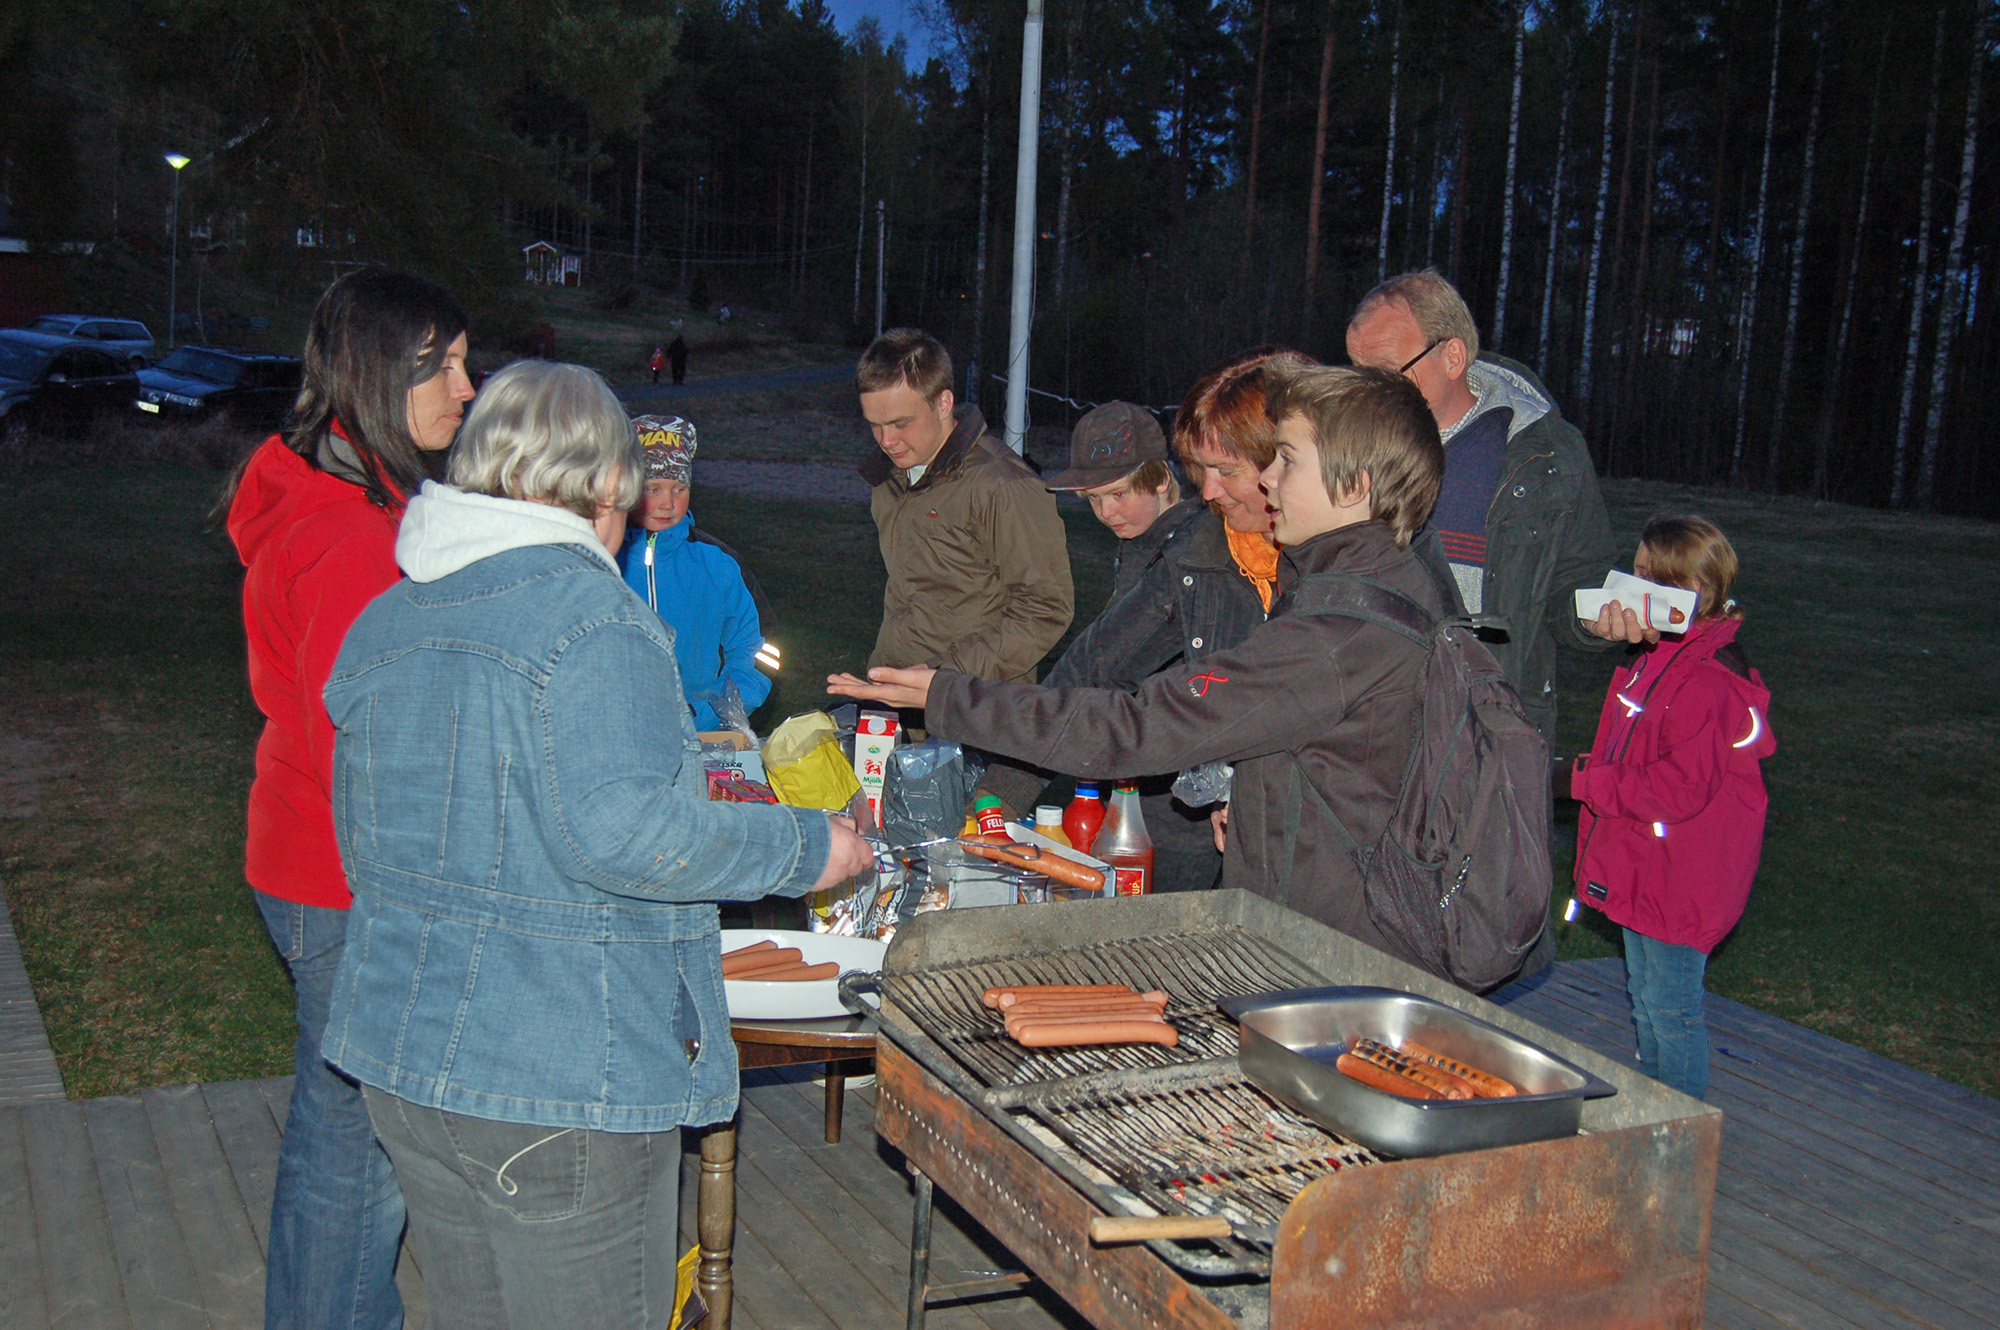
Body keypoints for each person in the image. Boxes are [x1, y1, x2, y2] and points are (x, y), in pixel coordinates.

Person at [321, 360, 872, 1326]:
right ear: (610, 486)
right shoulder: (595, 623)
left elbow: (366, 842)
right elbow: (629, 833)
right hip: (557, 1085)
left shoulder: (390, 618)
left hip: (403, 1062)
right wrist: (804, 848)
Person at [833, 363, 1455, 960]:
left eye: (1240, 469)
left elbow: (1147, 724)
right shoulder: (1211, 555)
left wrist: (948, 696)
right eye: (1202, 470)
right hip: (1263, 864)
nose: (1210, 491)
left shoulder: (1342, 616)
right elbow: (1093, 672)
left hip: (1360, 915)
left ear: (1347, 483)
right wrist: (995, 802)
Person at [223, 266, 474, 1330]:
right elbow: (365, 747)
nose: (468, 387)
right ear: (383, 373)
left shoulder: (329, 483)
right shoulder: (347, 536)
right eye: (447, 366)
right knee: (354, 1154)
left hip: (305, 855)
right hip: (344, 877)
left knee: (337, 1131)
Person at [975, 360, 1303, 892]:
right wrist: (1005, 784)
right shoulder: (1148, 550)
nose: (1106, 512)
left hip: (1185, 803)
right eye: (1093, 500)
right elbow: (1096, 663)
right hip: (1150, 789)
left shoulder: (1195, 554)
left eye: (1120, 493)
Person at [1344, 268, 1616, 747]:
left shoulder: (1545, 458)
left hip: (1489, 732)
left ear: (1452, 357)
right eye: (1358, 371)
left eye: (1386, 371)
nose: (1367, 391)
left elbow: (1573, 583)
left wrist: (1599, 617)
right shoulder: (1343, 446)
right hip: (1367, 727)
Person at [1570, 516, 1774, 1099]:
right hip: (1649, 862)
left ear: (1686, 594)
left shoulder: (1707, 683)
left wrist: (1583, 780)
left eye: (1642, 575)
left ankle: (1676, 1125)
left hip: (1685, 875)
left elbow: (1676, 789)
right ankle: (1651, 1105)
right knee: (1646, 996)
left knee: (1672, 1008)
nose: (1629, 584)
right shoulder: (1660, 658)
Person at [857, 328, 1073, 683]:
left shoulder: (1002, 487)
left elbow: (1045, 608)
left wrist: (942, 676)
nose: (886, 441)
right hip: (899, 692)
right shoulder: (891, 480)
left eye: (900, 424)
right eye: (875, 426)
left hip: (975, 704)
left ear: (943, 404)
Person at [616, 414, 775, 731]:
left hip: (701, 734)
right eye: (653, 488)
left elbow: (758, 651)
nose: (667, 503)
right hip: (614, 734)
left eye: (679, 488)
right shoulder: (604, 560)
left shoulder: (717, 563)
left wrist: (709, 711)